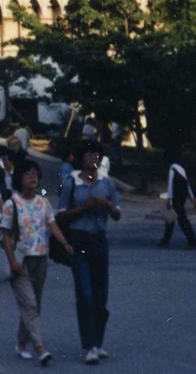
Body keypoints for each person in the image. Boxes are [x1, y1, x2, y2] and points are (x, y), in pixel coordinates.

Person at [2, 159, 74, 366]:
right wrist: (12, 260)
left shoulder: (43, 201)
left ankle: (21, 343)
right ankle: (40, 347)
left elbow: (53, 225)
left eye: (35, 173)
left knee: (33, 305)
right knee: (30, 305)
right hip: (20, 261)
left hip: (41, 258)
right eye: (28, 173)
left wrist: (65, 243)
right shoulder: (11, 204)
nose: (33, 177)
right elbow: (5, 235)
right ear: (19, 178)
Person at [57, 139, 122, 365]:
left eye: (97, 155)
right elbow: (61, 215)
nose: (93, 158)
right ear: (80, 158)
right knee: (85, 293)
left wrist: (108, 206)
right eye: (89, 154)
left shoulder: (107, 183)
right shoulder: (70, 182)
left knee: (101, 295)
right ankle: (89, 345)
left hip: (99, 241)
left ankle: (98, 342)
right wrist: (83, 208)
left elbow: (118, 213)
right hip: (78, 241)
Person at [157, 152, 196, 249]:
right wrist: (191, 197)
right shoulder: (181, 169)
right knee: (170, 218)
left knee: (181, 220)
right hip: (182, 197)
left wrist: (169, 198)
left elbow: (170, 184)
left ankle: (192, 240)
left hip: (176, 197)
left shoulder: (172, 168)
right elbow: (187, 184)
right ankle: (166, 239)